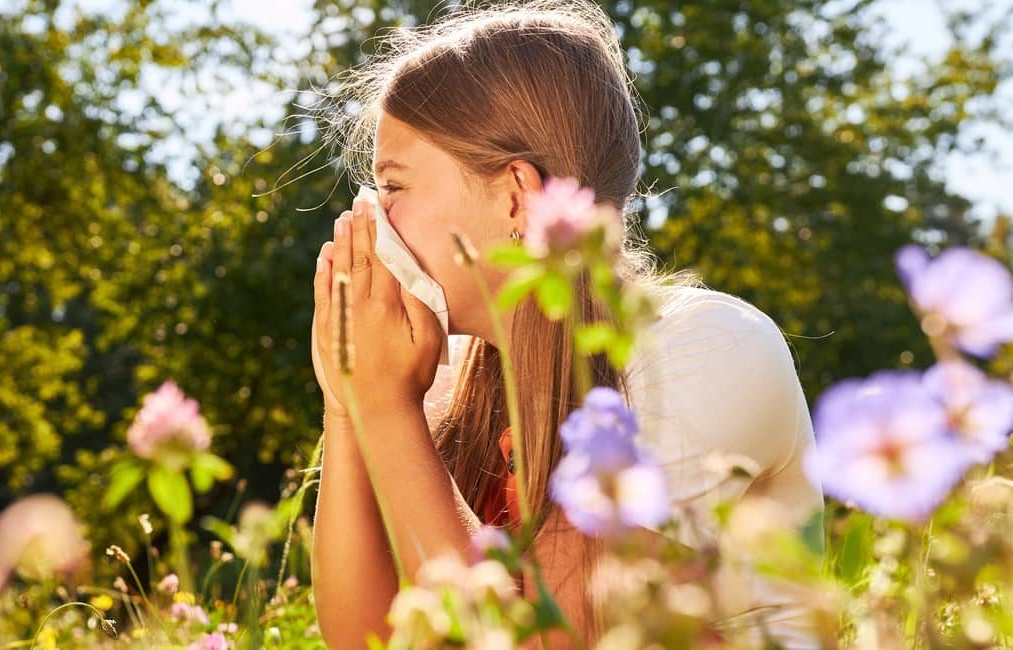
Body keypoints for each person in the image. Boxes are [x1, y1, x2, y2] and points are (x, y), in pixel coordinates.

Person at [307, 1, 824, 647]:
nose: (374, 222)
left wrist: (387, 412)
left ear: (515, 197)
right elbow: (368, 638)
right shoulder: (450, 386)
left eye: (393, 187)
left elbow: (558, 640)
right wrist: (352, 406)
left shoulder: (703, 349)